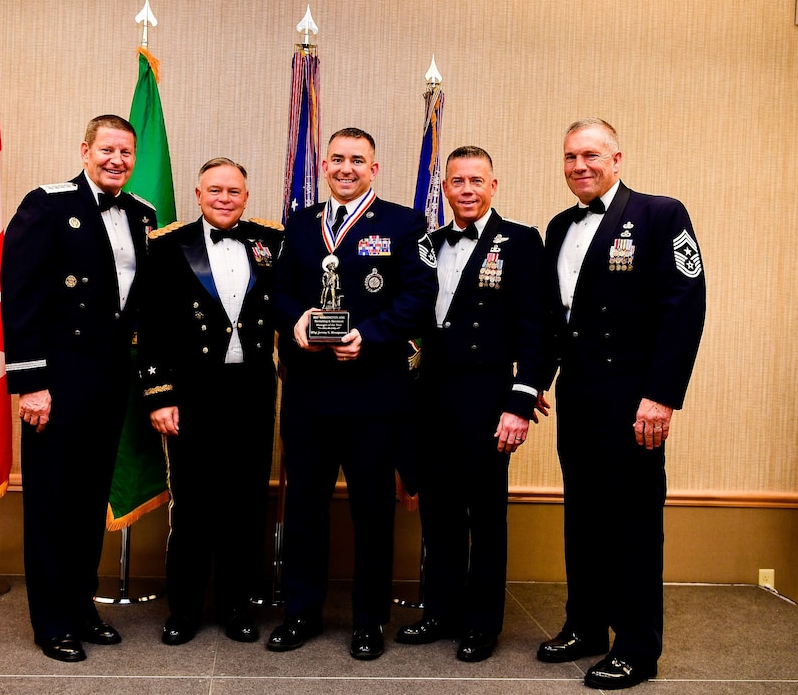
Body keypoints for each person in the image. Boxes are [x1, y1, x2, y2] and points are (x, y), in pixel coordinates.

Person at [538, 119, 705, 689]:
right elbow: (553, 322)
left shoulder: (661, 215)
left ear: (617, 158)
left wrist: (661, 396)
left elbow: (684, 308)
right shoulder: (559, 226)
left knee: (632, 524)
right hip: (578, 397)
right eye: (569, 157)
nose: (578, 166)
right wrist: (531, 381)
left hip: (633, 400)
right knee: (583, 518)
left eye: (590, 155)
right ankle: (585, 627)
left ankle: (636, 647)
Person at [268, 127, 438, 660]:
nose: (345, 168)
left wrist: (372, 335)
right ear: (324, 165)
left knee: (371, 511)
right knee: (305, 509)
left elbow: (420, 294)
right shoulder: (298, 223)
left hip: (374, 396)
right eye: (336, 159)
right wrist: (297, 322)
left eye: (357, 160)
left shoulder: (406, 224)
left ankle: (369, 620)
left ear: (374, 168)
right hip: (309, 395)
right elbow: (279, 290)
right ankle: (300, 612)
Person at [1, 115, 152, 662]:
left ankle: (81, 606)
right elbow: (19, 298)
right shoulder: (47, 204)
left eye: (126, 153)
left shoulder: (142, 215)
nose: (117, 160)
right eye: (107, 150)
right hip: (58, 380)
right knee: (50, 499)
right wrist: (32, 384)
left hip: (111, 379)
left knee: (90, 499)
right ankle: (50, 620)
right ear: (85, 149)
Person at [394, 146, 551, 662]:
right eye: (457, 180)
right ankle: (440, 611)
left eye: (476, 180)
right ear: (445, 188)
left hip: (487, 393)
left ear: (493, 184)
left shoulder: (522, 242)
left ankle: (482, 623)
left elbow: (538, 328)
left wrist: (523, 399)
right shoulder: (429, 242)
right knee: (439, 511)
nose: (466, 189)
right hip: (431, 391)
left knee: (485, 512)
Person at [136, 158, 283, 647]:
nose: (225, 198)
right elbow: (150, 326)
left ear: (246, 196)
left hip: (253, 392)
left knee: (245, 505)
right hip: (192, 393)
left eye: (234, 192)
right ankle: (184, 609)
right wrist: (160, 396)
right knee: (194, 506)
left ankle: (237, 606)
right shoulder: (165, 245)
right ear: (198, 194)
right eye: (215, 190)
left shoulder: (271, 242)